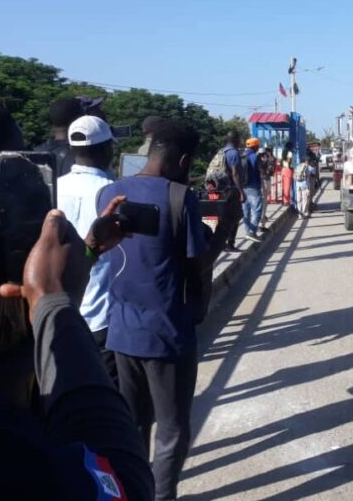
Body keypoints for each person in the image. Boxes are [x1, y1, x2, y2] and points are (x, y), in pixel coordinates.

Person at [0, 105, 154, 498]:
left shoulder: (59, 187)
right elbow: (119, 483)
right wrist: (52, 302)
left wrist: (88, 252)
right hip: (82, 329)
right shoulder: (112, 188)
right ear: (108, 150)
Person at [97, 118, 239, 501]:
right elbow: (199, 262)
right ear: (182, 160)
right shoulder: (179, 197)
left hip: (121, 331)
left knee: (133, 426)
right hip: (168, 336)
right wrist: (225, 228)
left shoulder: (110, 192)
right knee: (173, 429)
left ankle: (133, 492)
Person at [56, 115, 118, 383]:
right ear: (107, 149)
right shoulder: (114, 192)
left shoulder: (53, 188)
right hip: (103, 316)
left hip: (62, 314)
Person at [222, 130, 246, 252]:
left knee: (223, 216)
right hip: (231, 189)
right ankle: (230, 244)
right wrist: (241, 191)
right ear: (235, 140)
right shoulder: (234, 153)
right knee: (235, 216)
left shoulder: (222, 151)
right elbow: (235, 173)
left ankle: (220, 242)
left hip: (220, 189)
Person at [241, 137, 263, 242]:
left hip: (243, 186)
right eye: (258, 146)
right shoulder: (254, 157)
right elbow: (257, 170)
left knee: (246, 211)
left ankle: (247, 232)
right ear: (255, 146)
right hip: (253, 186)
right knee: (257, 209)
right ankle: (252, 232)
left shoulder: (242, 155)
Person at [296, 153, 316, 218]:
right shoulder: (308, 167)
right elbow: (314, 172)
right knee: (305, 199)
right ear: (307, 161)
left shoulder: (298, 166)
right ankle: (305, 213)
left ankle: (299, 213)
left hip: (298, 185)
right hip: (305, 186)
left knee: (299, 199)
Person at [281, 141, 294, 207]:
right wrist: (290, 167)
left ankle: (284, 200)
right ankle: (287, 201)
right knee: (287, 186)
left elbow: (281, 161)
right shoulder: (289, 153)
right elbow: (289, 161)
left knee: (284, 186)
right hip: (287, 170)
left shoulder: (283, 152)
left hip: (283, 169)